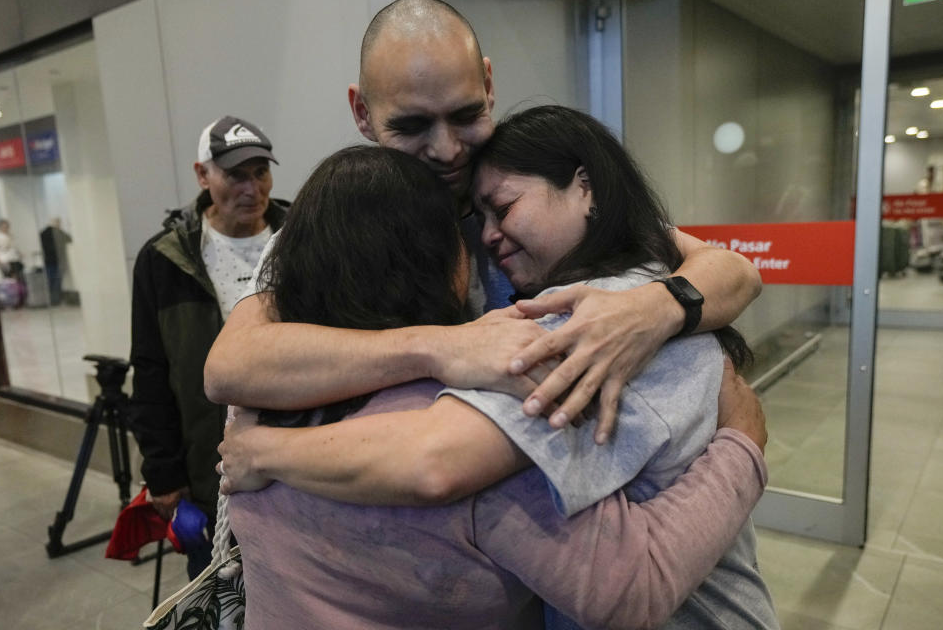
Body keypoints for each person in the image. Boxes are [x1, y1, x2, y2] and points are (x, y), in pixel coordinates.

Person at [223, 144, 770, 629]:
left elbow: (727, 268)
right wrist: (742, 447)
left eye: (501, 209)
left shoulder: (262, 402)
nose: (487, 239)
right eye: (469, 226)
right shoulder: (478, 424)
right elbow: (632, 591)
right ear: (444, 263)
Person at [203, 0, 763, 444]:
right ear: (362, 113)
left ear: (489, 85)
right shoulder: (340, 226)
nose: (448, 151)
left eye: (467, 114)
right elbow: (231, 366)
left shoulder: (519, 188)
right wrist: (437, 348)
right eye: (414, 126)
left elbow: (733, 270)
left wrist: (653, 309)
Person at [128, 115, 289, 579]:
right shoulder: (164, 260)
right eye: (235, 174)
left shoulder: (304, 238)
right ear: (203, 175)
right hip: (209, 480)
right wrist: (164, 476)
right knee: (220, 608)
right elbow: (151, 371)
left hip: (296, 470)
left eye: (260, 172)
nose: (251, 188)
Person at [39, 217, 72, 306]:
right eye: (58, 222)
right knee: (53, 281)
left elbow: (69, 239)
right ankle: (53, 300)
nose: (59, 224)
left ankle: (55, 300)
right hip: (52, 261)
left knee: (55, 281)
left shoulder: (57, 233)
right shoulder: (48, 233)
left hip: (54, 261)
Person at [0, 219, 27, 308]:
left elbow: (15, 247)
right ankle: (11, 301)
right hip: (5, 260)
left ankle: (19, 299)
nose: (6, 228)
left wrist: (20, 254)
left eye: (7, 226)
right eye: (4, 226)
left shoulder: (11, 236)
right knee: (10, 281)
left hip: (14, 259)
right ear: (0, 227)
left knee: (18, 279)